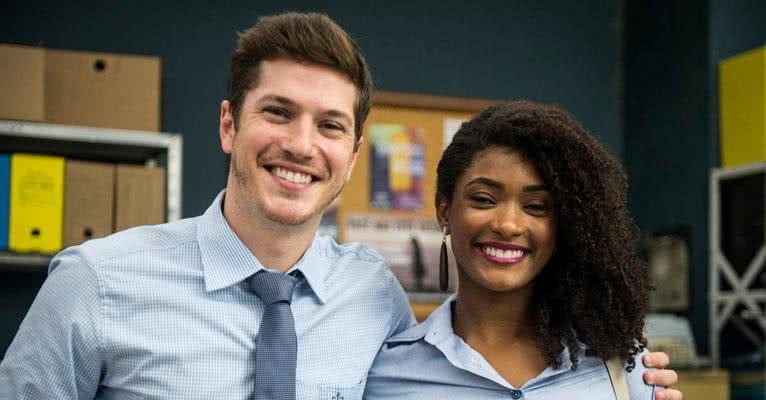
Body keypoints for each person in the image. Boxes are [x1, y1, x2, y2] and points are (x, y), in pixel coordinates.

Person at [0, 12, 680, 400]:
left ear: (353, 155)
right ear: (229, 125)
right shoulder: (96, 282)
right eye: (278, 113)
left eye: (328, 126)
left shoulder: (372, 299)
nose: (301, 145)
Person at [365, 101, 681, 399]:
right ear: (444, 210)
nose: (508, 224)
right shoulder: (386, 375)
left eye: (536, 206)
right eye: (484, 199)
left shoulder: (621, 365)